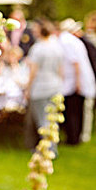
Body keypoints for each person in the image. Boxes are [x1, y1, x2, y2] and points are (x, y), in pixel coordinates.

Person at [24, 19, 63, 153]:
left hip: (41, 87)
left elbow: (33, 72)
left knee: (42, 119)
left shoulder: (38, 48)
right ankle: (52, 146)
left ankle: (48, 149)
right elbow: (60, 69)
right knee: (52, 119)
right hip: (55, 85)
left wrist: (28, 89)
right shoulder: (56, 46)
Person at [58, 18, 96, 145]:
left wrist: (78, 82)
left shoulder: (66, 41)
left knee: (72, 112)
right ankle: (75, 137)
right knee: (77, 111)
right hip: (76, 82)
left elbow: (75, 63)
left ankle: (73, 138)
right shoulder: (74, 41)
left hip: (73, 83)